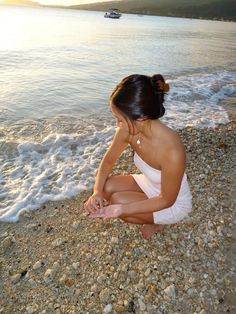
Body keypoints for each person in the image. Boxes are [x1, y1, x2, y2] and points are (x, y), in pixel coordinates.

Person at [84, 74, 192, 239]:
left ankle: (158, 222)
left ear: (141, 117)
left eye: (120, 120)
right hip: (151, 184)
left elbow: (166, 200)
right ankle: (139, 210)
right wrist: (96, 192)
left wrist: (121, 209)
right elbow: (107, 162)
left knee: (119, 202)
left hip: (172, 201)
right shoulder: (128, 130)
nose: (117, 125)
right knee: (107, 187)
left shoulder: (172, 150)